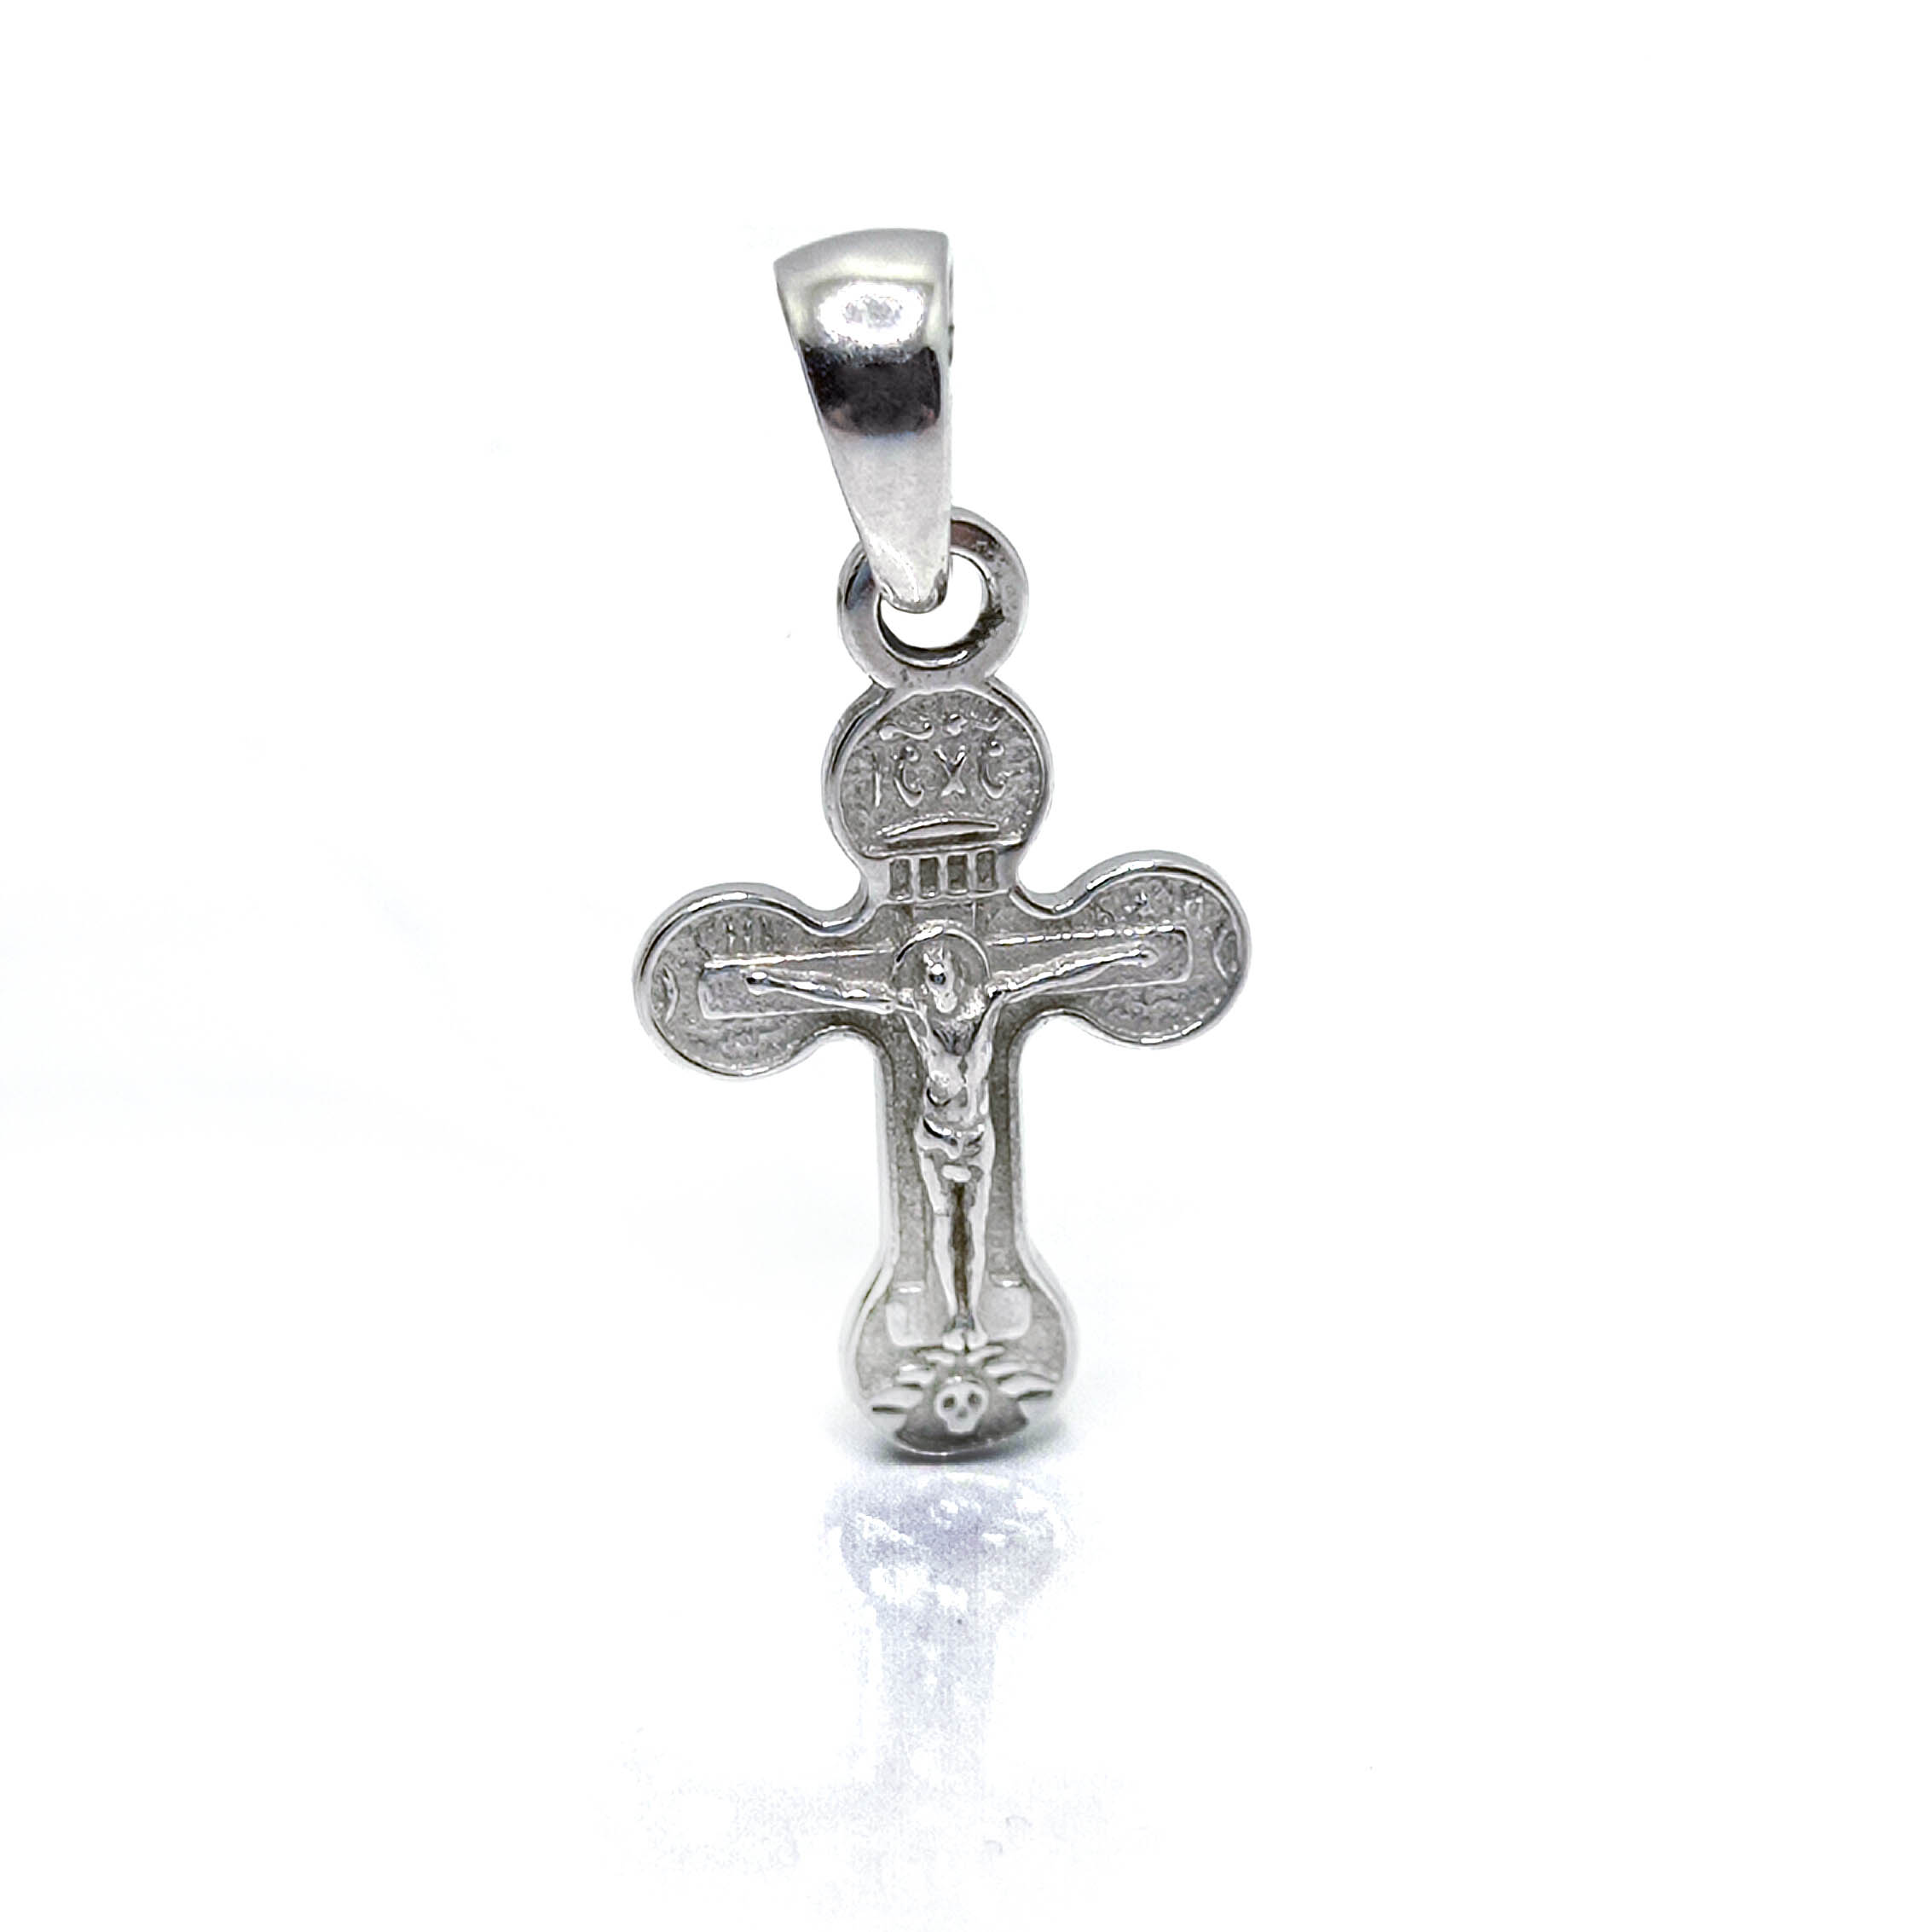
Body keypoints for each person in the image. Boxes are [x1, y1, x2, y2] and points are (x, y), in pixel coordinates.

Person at [745, 924, 1152, 1345]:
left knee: (972, 1227)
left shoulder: (989, 1003)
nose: (937, 986)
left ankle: (968, 1314)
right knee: (945, 1224)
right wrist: (774, 980)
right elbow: (844, 992)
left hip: (974, 1138)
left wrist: (1122, 955)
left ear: (957, 974)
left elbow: (1055, 972)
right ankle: (957, 1314)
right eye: (930, 978)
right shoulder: (915, 1014)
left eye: (942, 976)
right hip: (935, 1138)